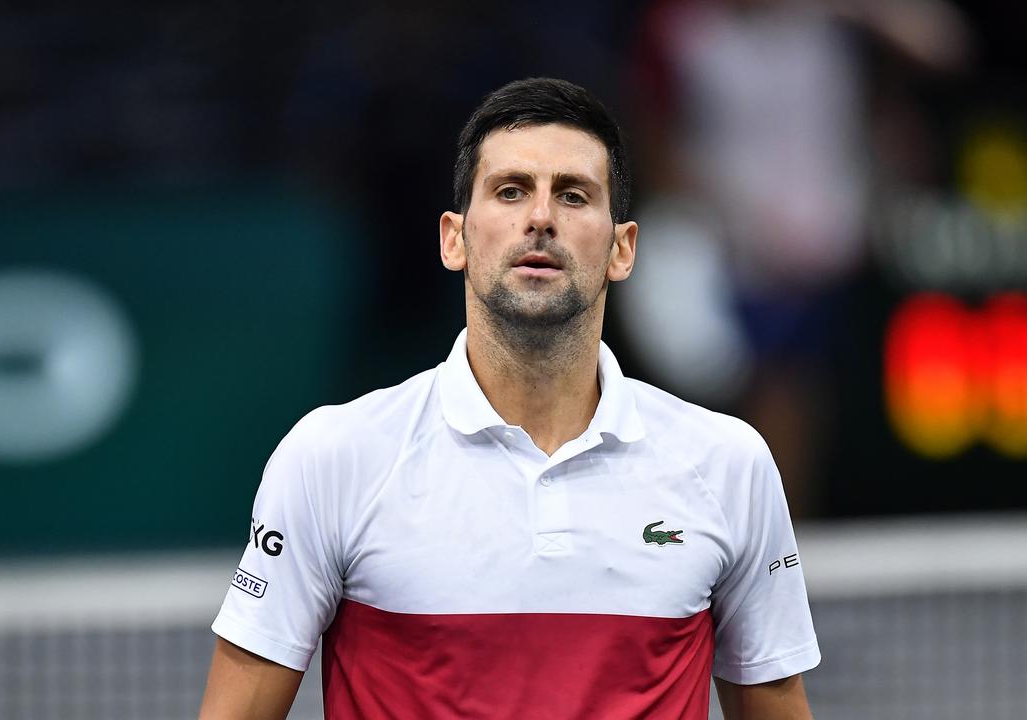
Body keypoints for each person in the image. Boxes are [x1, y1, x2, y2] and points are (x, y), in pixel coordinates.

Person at [200, 77, 819, 719]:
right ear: (454, 238)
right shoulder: (332, 458)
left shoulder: (728, 464)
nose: (541, 217)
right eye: (511, 190)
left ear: (622, 248)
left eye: (574, 196)